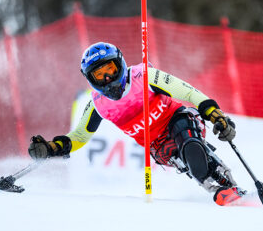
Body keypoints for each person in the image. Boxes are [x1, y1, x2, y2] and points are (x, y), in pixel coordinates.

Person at [28, 42, 246, 206]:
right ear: (90, 79)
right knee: (175, 152)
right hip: (157, 144)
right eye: (99, 75)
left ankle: (224, 179)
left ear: (120, 64)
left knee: (186, 139)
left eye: (110, 70)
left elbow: (187, 92)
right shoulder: (97, 104)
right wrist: (51, 147)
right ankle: (214, 185)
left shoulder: (144, 75)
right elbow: (79, 137)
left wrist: (215, 114)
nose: (107, 79)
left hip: (178, 118)